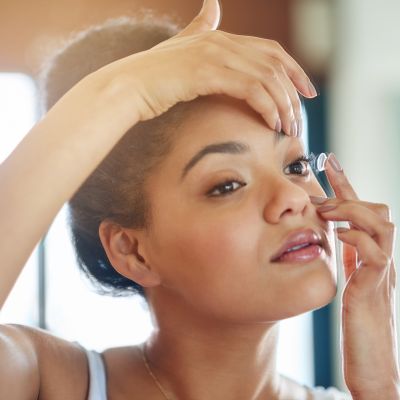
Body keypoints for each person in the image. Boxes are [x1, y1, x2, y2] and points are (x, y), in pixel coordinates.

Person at [0, 0, 399, 399]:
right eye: (227, 185)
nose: (293, 197)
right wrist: (129, 89)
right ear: (133, 251)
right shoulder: (50, 384)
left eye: (295, 166)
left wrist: (381, 386)